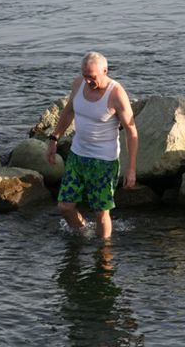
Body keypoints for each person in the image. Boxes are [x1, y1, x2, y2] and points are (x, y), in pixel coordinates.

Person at [47, 51, 138, 239]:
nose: (88, 80)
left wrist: (131, 169)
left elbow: (131, 132)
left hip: (103, 162)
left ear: (105, 71)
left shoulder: (116, 94)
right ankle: (83, 234)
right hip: (77, 156)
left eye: (92, 77)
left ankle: (104, 256)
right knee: (65, 206)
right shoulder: (78, 84)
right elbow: (68, 112)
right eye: (85, 75)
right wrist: (54, 138)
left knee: (101, 213)